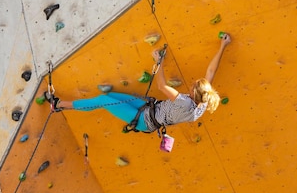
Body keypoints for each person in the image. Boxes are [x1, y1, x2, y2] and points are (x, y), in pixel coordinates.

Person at [48, 34, 231, 134]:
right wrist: (222, 46)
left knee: (104, 101)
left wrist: (158, 62)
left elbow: (161, 85)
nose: (190, 85)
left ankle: (60, 105)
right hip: (149, 108)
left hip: (144, 120)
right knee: (108, 97)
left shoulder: (185, 102)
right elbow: (210, 72)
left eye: (192, 86)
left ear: (193, 94)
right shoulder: (203, 102)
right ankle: (62, 106)